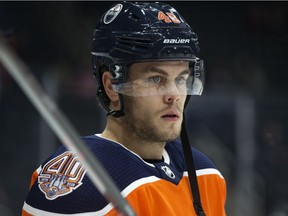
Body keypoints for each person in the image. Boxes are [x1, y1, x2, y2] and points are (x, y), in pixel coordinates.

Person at [22, 2, 226, 216]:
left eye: (181, 79)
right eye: (155, 79)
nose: (174, 95)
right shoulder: (84, 180)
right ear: (111, 87)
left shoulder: (204, 173)